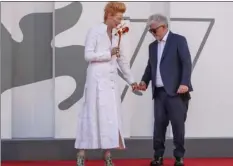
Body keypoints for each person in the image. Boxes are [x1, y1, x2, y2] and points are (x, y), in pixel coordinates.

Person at [74, 2, 138, 166]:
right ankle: (82, 153)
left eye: (121, 18)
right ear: (109, 15)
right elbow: (88, 55)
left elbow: (122, 61)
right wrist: (107, 53)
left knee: (111, 116)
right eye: (118, 18)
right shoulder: (95, 31)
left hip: (110, 81)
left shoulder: (119, 34)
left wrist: (132, 82)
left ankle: (107, 153)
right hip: (95, 79)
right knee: (92, 114)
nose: (120, 21)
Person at [138, 14, 193, 166]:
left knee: (178, 126)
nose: (152, 33)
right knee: (159, 125)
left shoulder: (178, 40)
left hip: (177, 92)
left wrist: (184, 83)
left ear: (164, 27)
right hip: (159, 93)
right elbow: (150, 67)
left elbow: (186, 63)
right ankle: (158, 156)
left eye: (154, 30)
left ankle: (179, 157)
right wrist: (144, 81)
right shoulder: (152, 46)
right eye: (150, 31)